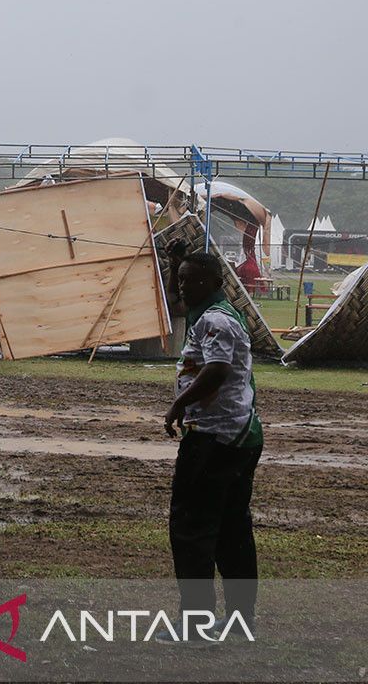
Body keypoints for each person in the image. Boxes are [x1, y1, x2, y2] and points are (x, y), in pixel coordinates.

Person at [161, 244, 263, 639]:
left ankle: (196, 621)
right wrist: (175, 267)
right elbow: (176, 301)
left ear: (215, 282)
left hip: (214, 438)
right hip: (236, 435)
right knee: (231, 530)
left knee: (192, 529)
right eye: (182, 279)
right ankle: (240, 620)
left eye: (192, 280)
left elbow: (217, 371)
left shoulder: (217, 322)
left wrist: (177, 405)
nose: (184, 287)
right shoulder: (210, 312)